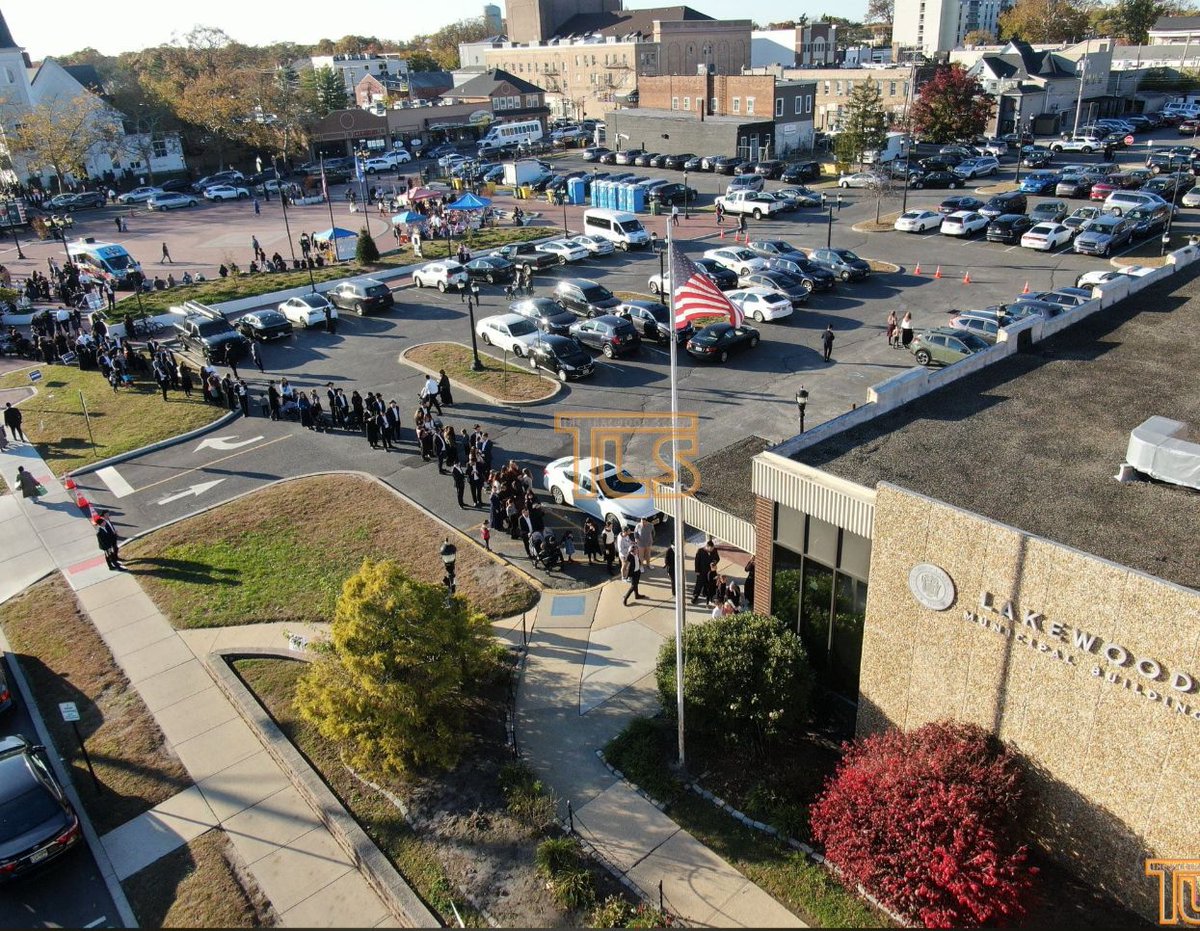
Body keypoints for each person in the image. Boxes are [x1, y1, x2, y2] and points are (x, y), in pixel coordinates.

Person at [692, 538, 716, 605]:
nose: (712, 550)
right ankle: (695, 595)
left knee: (707, 584)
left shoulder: (713, 551)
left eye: (712, 548)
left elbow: (715, 558)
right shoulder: (700, 551)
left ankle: (705, 593)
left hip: (709, 572)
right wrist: (697, 570)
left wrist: (714, 563)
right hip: (701, 572)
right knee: (699, 584)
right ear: (707, 547)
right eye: (711, 548)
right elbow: (697, 561)